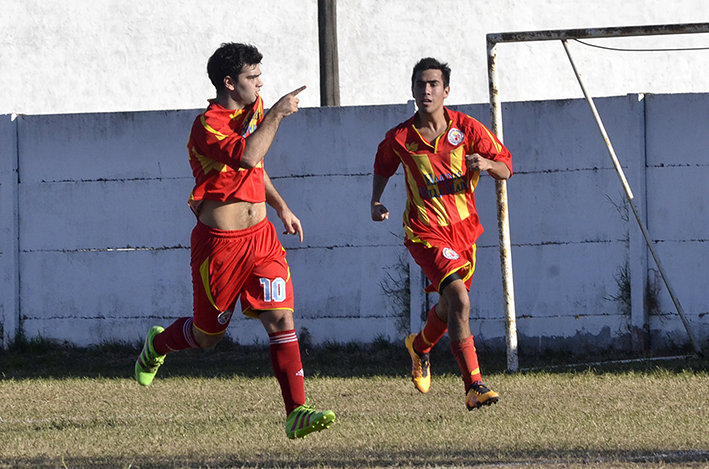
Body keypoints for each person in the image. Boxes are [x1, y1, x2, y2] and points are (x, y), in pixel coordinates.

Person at [134, 42, 335, 439]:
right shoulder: (207, 124)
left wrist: (281, 207)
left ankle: (297, 411)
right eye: (252, 77)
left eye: (260, 77)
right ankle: (159, 345)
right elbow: (246, 155)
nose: (260, 85)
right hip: (220, 246)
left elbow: (257, 167)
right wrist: (277, 113)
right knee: (208, 337)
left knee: (281, 317)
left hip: (261, 238)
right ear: (229, 82)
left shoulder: (254, 110)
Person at [370, 57, 512, 410]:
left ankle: (419, 346)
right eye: (421, 84)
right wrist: (375, 200)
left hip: (465, 234)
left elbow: (506, 166)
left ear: (446, 90)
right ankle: (474, 386)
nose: (427, 90)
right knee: (460, 300)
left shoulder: (466, 129)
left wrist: (488, 165)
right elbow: (382, 165)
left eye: (433, 84)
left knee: (449, 306)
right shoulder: (401, 137)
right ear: (413, 89)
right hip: (425, 233)